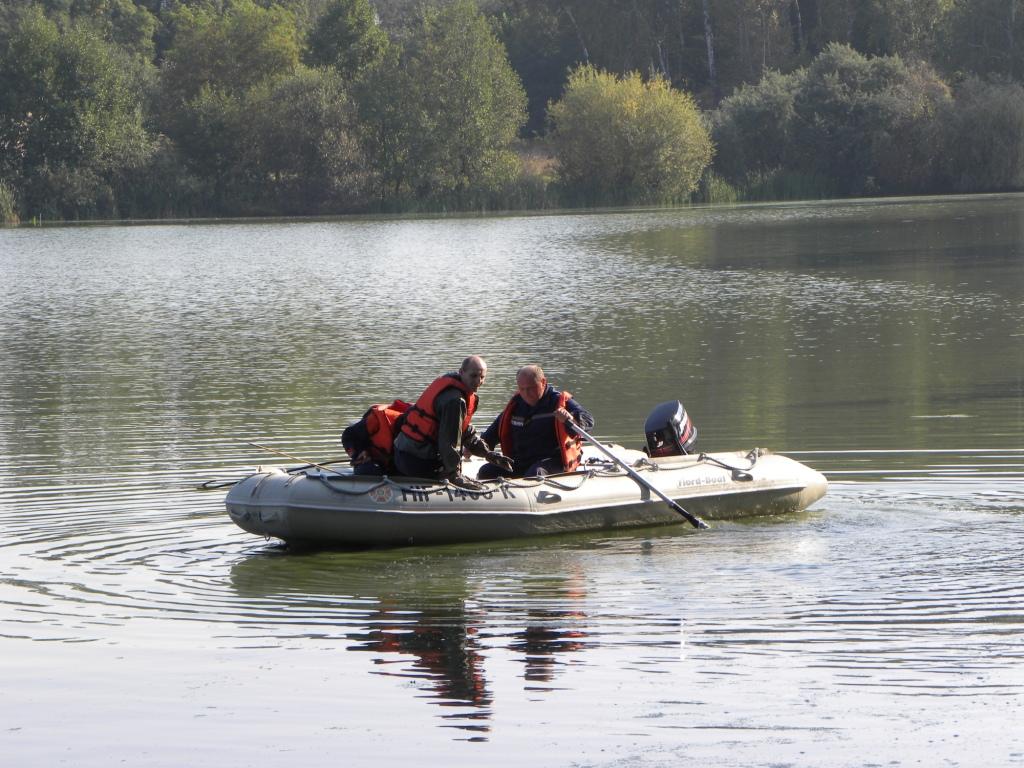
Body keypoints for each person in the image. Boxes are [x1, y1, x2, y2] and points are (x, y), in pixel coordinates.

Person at [392, 355, 513, 488]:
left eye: (482, 377)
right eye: (473, 376)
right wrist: (454, 475)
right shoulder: (455, 401)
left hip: (403, 453)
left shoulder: (456, 391)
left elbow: (465, 431)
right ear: (461, 372)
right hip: (415, 459)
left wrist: (488, 454)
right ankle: (449, 477)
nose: (478, 381)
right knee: (452, 471)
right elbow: (448, 442)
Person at [478, 365, 594, 479]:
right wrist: (473, 447)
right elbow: (492, 433)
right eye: (522, 389)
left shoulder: (558, 400)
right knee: (486, 471)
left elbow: (588, 420)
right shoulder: (516, 405)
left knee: (535, 473)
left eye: (530, 388)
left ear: (543, 382)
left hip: (552, 461)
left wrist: (570, 418)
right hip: (521, 461)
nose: (526, 394)